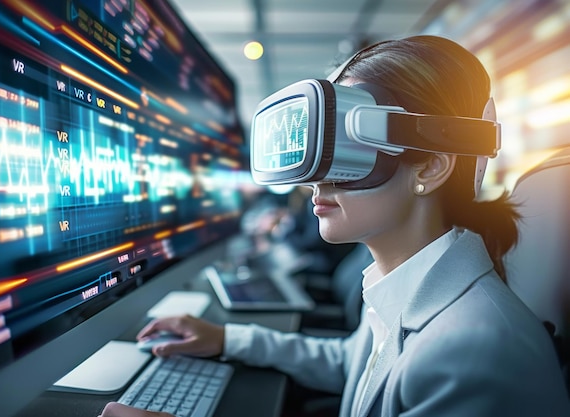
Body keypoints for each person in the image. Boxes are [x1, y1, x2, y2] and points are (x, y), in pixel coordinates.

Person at [101, 35, 570, 417]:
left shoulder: (472, 352)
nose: (315, 181)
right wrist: (227, 338)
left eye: (347, 150)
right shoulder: (404, 287)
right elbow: (355, 364)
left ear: (429, 169)